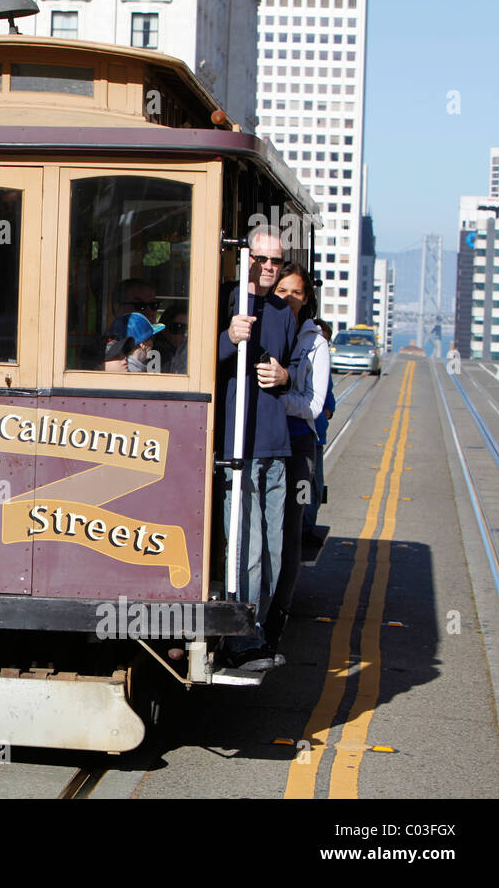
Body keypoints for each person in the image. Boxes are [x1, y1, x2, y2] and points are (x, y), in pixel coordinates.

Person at [217, 226, 296, 671]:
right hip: (238, 446)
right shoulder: (227, 300)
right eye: (261, 259)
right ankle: (240, 639)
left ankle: (259, 631)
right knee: (244, 547)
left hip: (274, 445)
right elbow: (196, 361)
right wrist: (230, 337)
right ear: (244, 257)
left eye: (276, 262)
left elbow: (295, 372)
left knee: (272, 549)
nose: (269, 268)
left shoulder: (284, 311)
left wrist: (284, 378)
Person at [264, 262, 330, 654]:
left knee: (288, 535)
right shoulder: (265, 328)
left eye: (296, 293)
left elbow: (315, 406)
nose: (288, 298)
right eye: (282, 291)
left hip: (298, 450)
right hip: (263, 443)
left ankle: (276, 620)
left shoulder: (314, 342)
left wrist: (274, 401)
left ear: (307, 301)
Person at [302, 319, 335, 547]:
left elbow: (329, 398)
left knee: (315, 485)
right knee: (304, 487)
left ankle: (308, 527)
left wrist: (328, 410)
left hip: (318, 436)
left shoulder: (324, 366)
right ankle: (303, 529)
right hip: (305, 434)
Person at [158, 304, 188, 373]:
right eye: (178, 327)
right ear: (164, 329)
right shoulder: (156, 352)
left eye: (186, 328)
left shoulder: (186, 349)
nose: (183, 334)